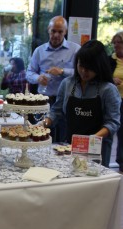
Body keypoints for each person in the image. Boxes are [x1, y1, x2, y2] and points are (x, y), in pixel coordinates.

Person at [43, 40, 121, 168]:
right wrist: (44, 124)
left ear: (99, 66)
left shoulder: (108, 89)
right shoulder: (68, 84)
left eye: (89, 68)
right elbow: (56, 111)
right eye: (81, 65)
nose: (84, 71)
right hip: (69, 146)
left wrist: (90, 140)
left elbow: (113, 123)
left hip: (97, 151)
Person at [26, 16, 80, 142]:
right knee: (41, 138)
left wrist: (62, 71)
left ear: (65, 31)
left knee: (64, 140)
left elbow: (80, 73)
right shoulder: (39, 51)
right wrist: (38, 78)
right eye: (53, 31)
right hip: (43, 101)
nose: (56, 35)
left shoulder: (75, 49)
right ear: (48, 30)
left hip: (67, 102)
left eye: (60, 31)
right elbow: (29, 73)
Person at [109, 31, 123, 172]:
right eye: (115, 42)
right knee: (112, 129)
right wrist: (112, 80)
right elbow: (103, 77)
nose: (117, 45)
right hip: (114, 100)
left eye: (120, 42)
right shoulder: (110, 60)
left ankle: (121, 163)